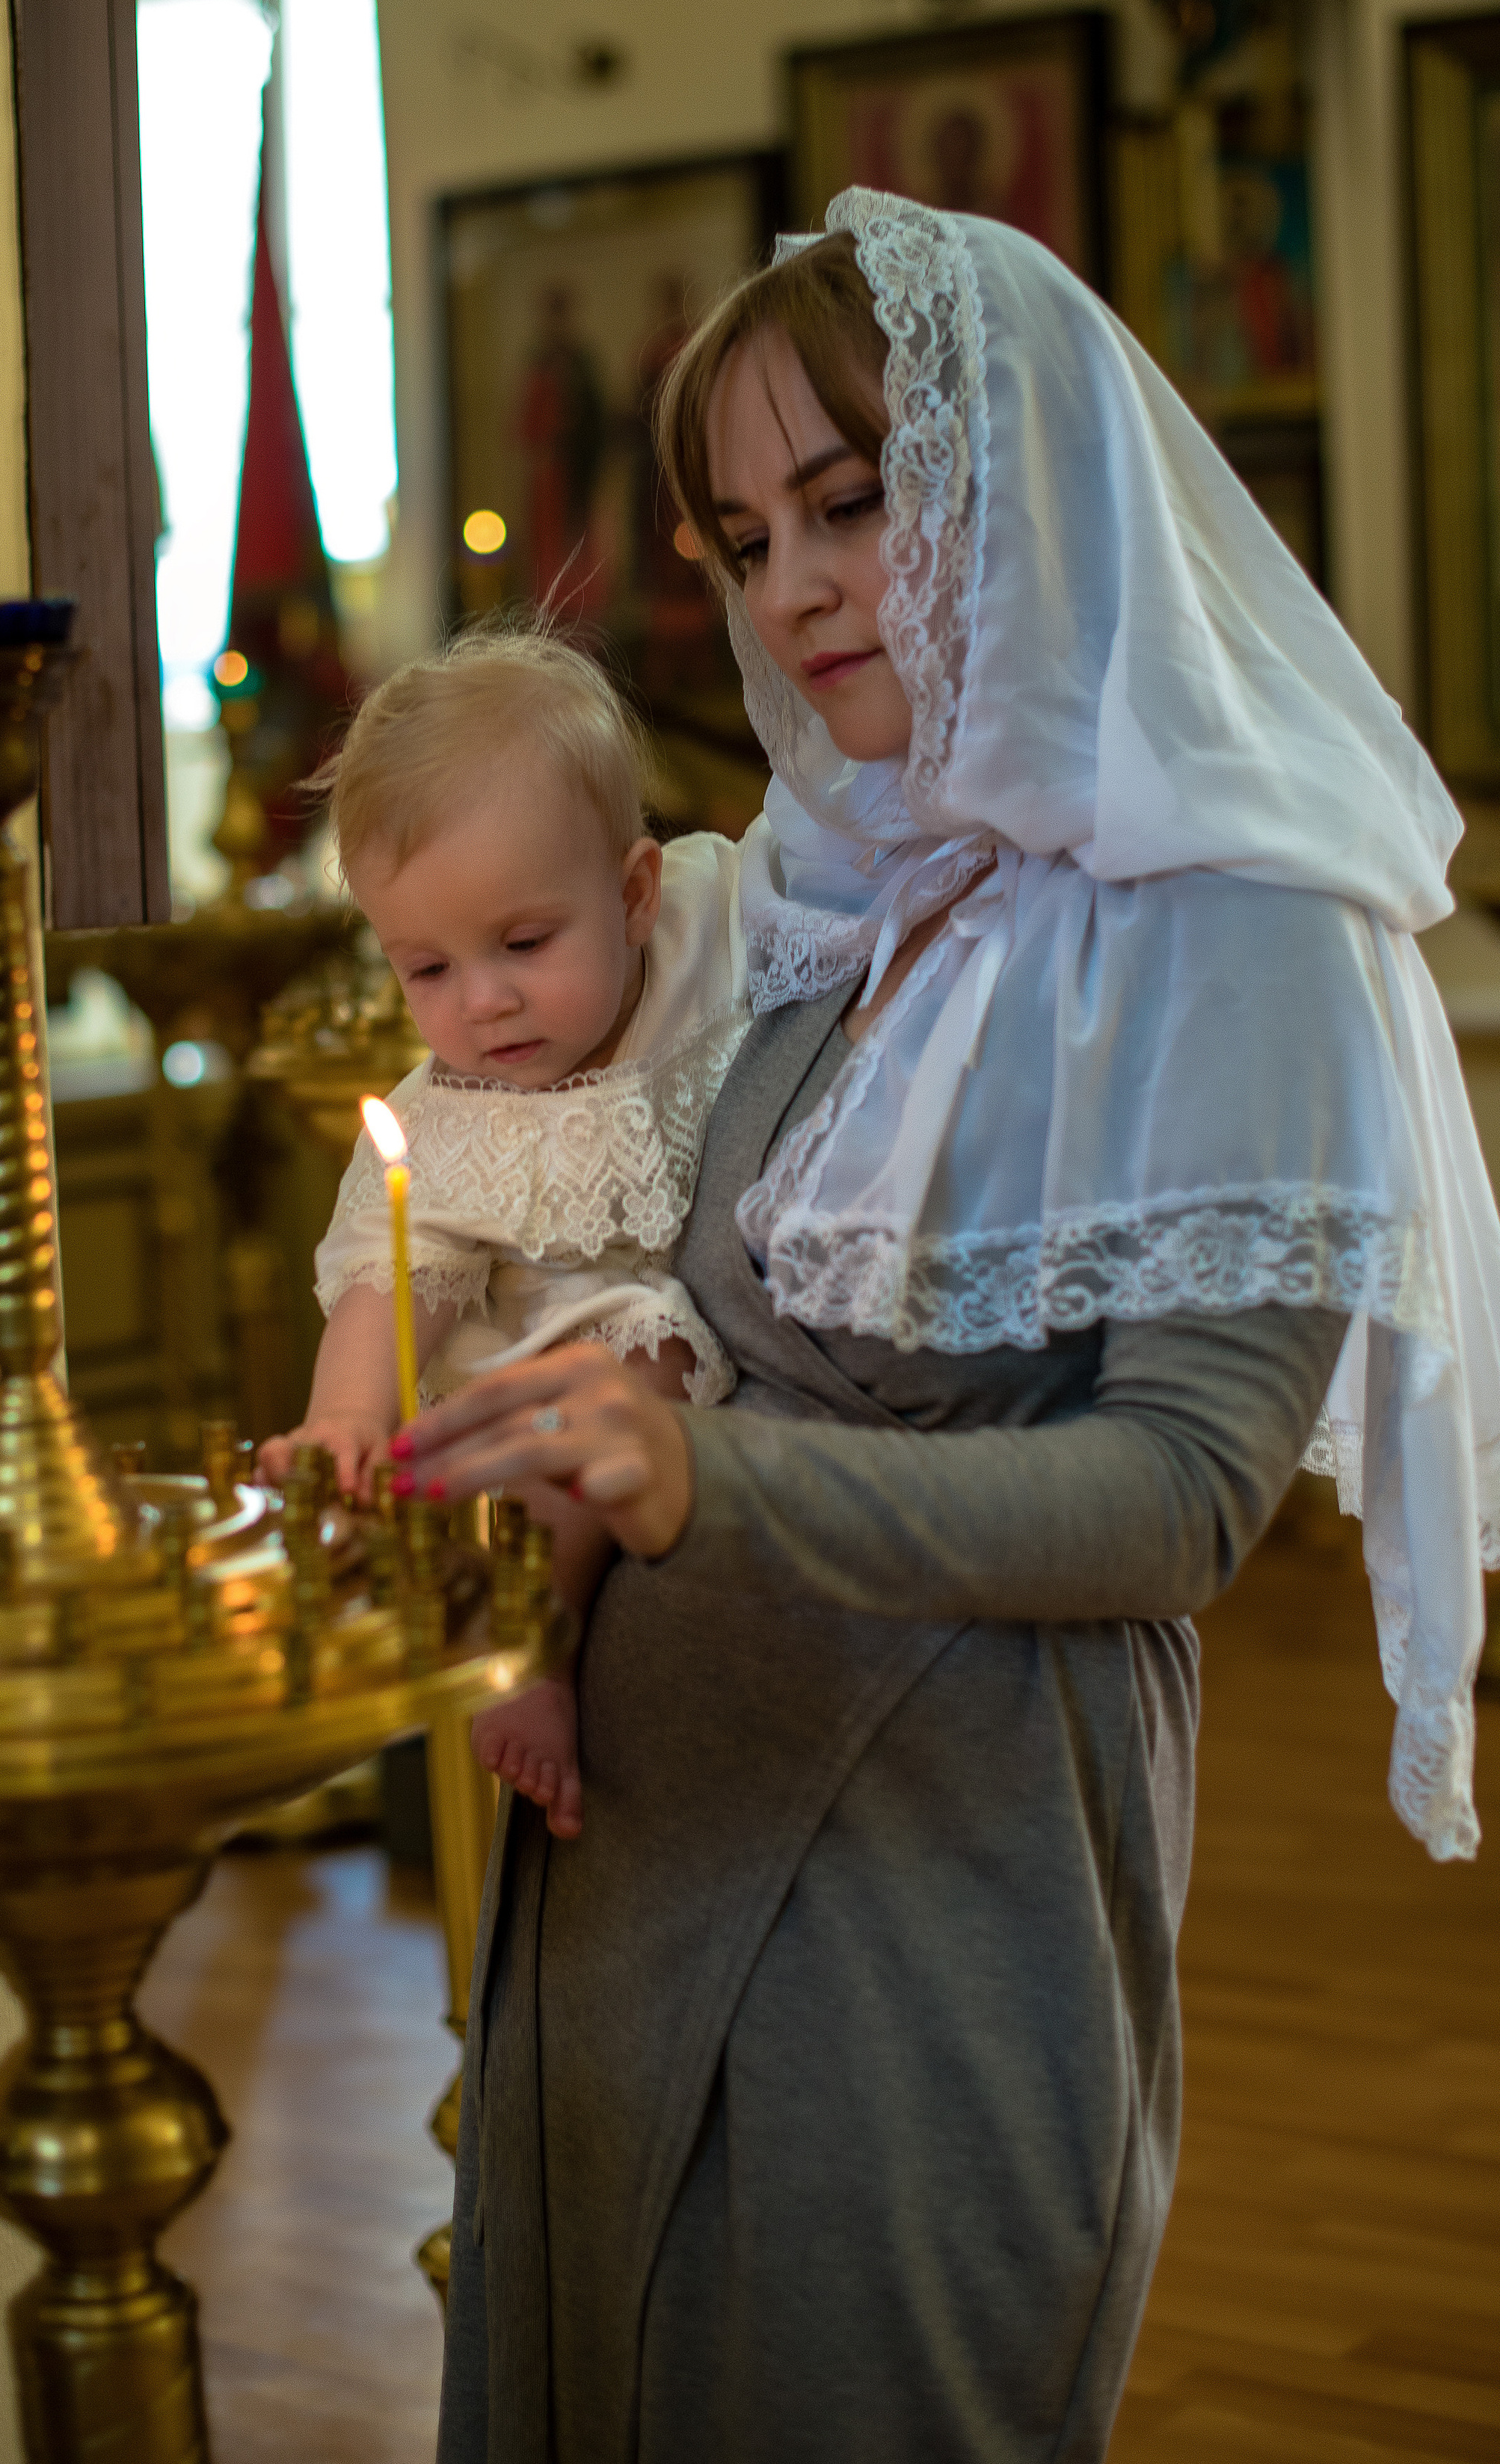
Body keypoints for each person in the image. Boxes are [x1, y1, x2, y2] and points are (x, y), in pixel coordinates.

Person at [396, 190, 1500, 2463]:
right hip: (632, 1853)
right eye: (739, 533)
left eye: (852, 498)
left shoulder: (1241, 929)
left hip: (930, 1893)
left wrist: (708, 1470)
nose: (790, 588)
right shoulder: (817, 890)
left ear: (1024, 473)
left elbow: (1187, 1494)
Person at [268, 625, 749, 1836]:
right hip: (528, 1380)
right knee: (625, 1361)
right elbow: (394, 1275)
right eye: (423, 968)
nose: (481, 1002)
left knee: (644, 1358)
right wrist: (346, 1421)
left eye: (524, 944)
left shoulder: (710, 921)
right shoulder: (452, 1113)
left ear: (636, 894)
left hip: (700, 1379)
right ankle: (534, 1642)